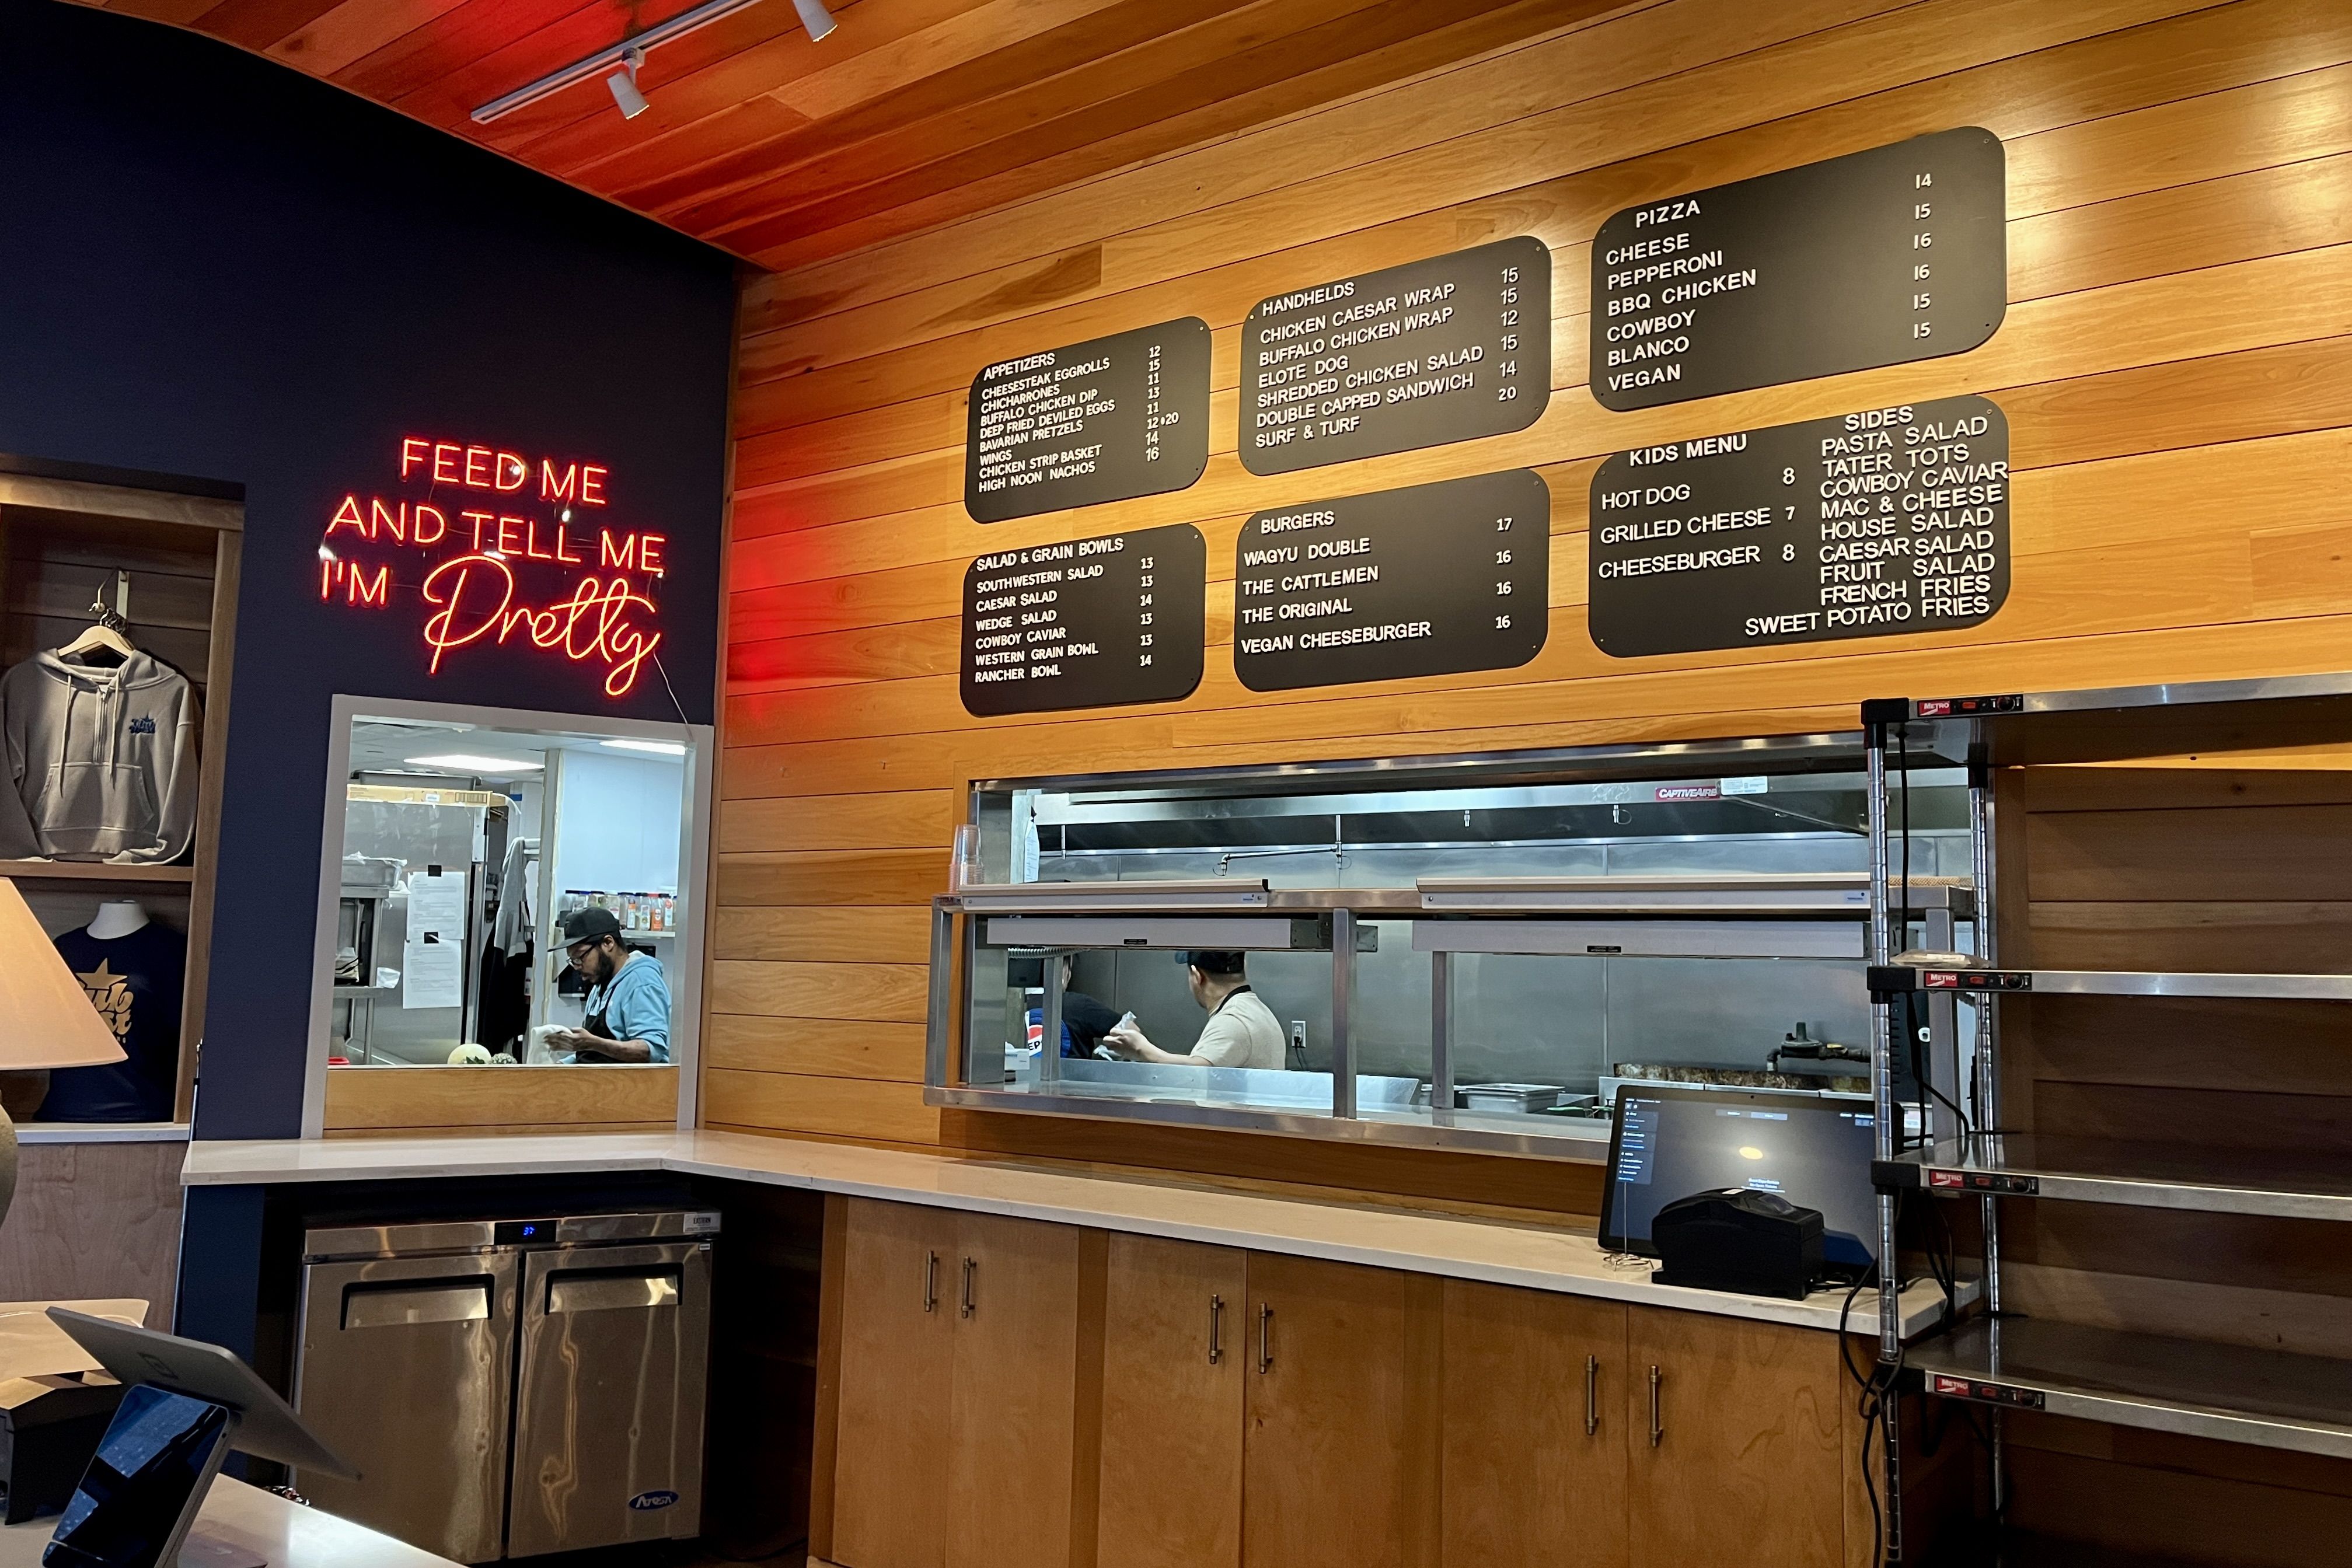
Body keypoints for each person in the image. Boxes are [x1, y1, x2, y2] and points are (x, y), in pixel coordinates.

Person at [1103, 950, 1284, 1068]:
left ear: (1198, 977)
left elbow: (1196, 1074)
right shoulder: (1254, 1009)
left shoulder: (1232, 1020)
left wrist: (1142, 1049)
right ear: (1244, 967)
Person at [546, 907, 671, 1063]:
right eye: (573, 961)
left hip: (631, 1086)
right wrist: (562, 1065)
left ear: (608, 943)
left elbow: (649, 1050)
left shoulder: (642, 982)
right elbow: (592, 1055)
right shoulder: (601, 983)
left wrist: (593, 1044)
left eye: (580, 957)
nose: (577, 967)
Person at [1029, 955, 1123, 1059]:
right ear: (1062, 970)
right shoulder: (1079, 1005)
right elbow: (1131, 1032)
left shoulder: (1015, 1005)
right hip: (1074, 1074)